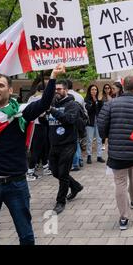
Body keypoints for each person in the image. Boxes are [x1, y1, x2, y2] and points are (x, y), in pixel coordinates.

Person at [0, 64, 65, 245]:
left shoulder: (21, 112)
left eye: (0, 85)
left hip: (15, 185)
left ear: (10, 89)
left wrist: (53, 76)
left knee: (25, 235)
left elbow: (43, 103)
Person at [97, 76, 133, 230]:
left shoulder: (111, 103)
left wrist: (107, 137)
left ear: (123, 86)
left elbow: (101, 125)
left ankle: (124, 217)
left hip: (117, 150)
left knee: (120, 183)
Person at [48, 80, 84, 215]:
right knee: (55, 172)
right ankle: (76, 186)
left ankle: (60, 201)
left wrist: (52, 110)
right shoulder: (51, 104)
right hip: (54, 144)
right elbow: (47, 121)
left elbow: (69, 120)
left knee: (63, 173)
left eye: (59, 89)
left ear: (66, 90)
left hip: (68, 144)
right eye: (55, 89)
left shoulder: (72, 104)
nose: (57, 91)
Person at [26, 83, 51, 180]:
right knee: (37, 149)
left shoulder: (31, 98)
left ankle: (45, 167)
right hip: (39, 125)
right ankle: (30, 172)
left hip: (33, 125)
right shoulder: (41, 98)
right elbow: (42, 113)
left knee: (41, 147)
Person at [66, 79, 85, 170]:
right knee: (77, 141)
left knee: (74, 142)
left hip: (69, 122)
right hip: (79, 122)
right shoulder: (79, 96)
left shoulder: (65, 96)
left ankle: (75, 163)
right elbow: (84, 110)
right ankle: (80, 160)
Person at [84, 84, 104, 164]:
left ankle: (99, 156)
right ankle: (89, 155)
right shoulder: (86, 100)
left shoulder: (99, 100)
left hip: (98, 123)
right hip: (90, 123)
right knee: (89, 140)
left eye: (95, 90)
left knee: (99, 140)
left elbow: (101, 110)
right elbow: (89, 109)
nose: (94, 91)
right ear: (89, 91)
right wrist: (94, 102)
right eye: (92, 89)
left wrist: (98, 101)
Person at [101, 83, 113, 151]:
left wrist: (108, 95)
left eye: (108, 88)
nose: (107, 89)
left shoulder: (112, 96)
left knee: (110, 130)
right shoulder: (102, 96)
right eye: (105, 88)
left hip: (111, 115)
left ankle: (110, 143)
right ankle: (103, 143)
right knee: (104, 130)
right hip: (104, 115)